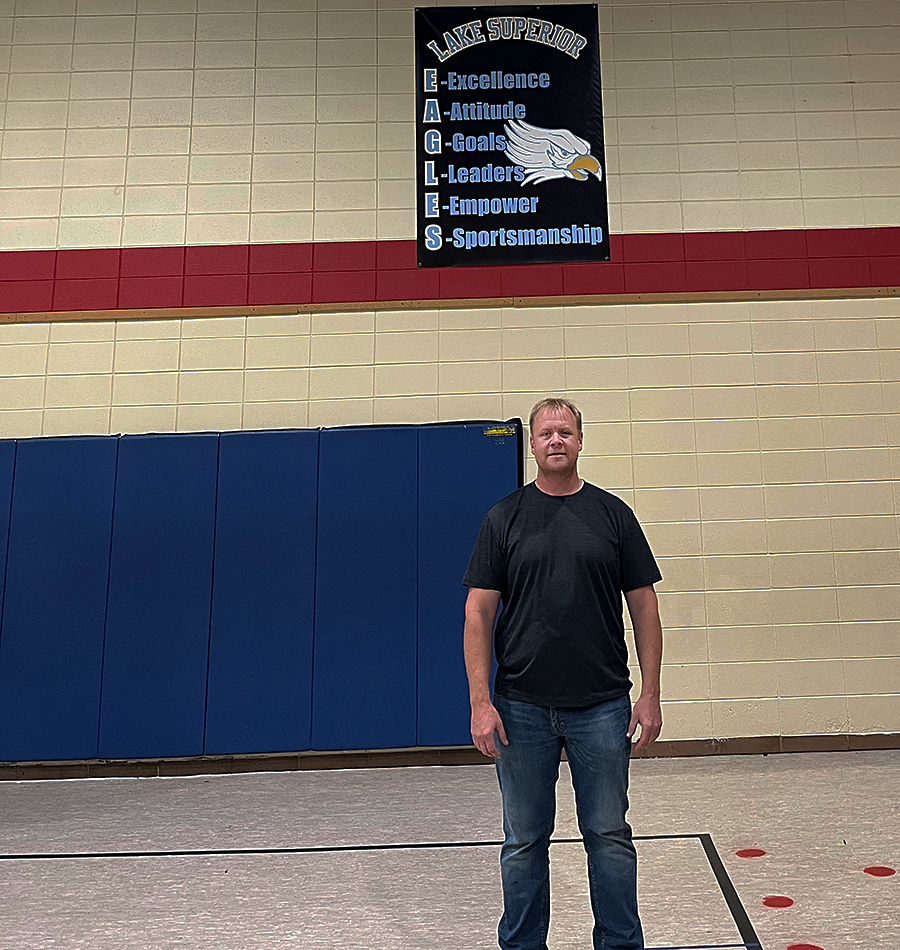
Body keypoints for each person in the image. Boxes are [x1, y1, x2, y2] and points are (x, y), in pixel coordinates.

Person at [462, 396, 663, 950]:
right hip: (520, 708)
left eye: (565, 431)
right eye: (546, 432)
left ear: (580, 441)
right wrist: (482, 702)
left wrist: (650, 695)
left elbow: (643, 604)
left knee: (609, 836)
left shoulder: (613, 515)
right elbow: (477, 611)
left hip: (602, 705)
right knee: (524, 841)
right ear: (531, 444)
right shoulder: (503, 518)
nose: (556, 440)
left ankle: (620, 944)